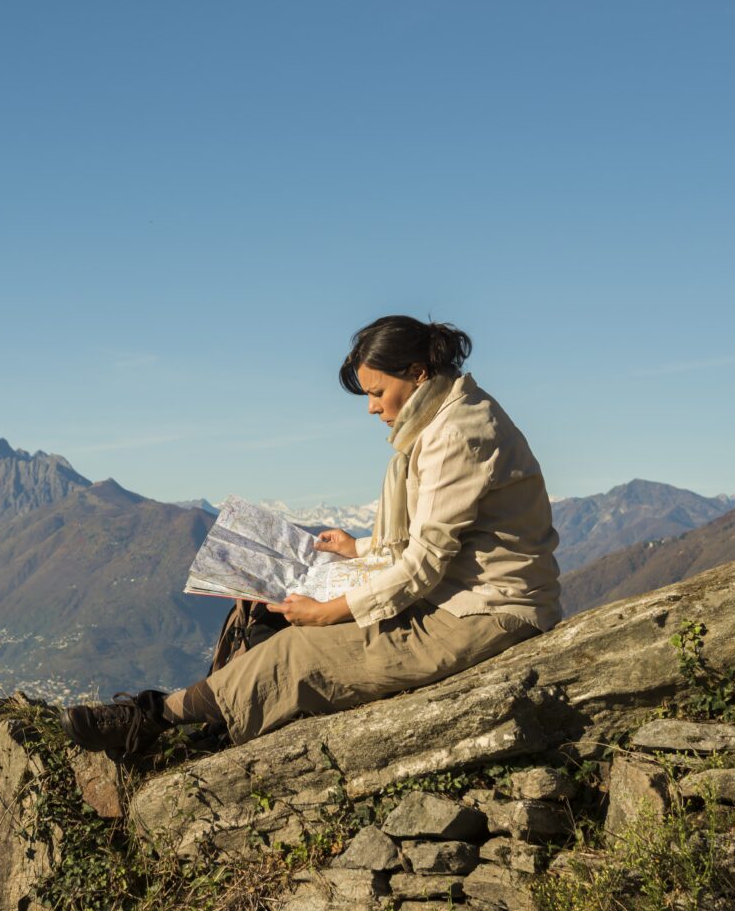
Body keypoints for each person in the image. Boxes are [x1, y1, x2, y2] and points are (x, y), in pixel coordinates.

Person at [60, 315, 562, 760]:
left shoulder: (455, 434)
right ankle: (216, 722)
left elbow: (425, 561)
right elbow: (435, 535)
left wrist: (329, 612)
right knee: (263, 610)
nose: (371, 408)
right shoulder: (442, 418)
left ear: (417, 373)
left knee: (299, 650)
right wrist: (358, 548)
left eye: (376, 391)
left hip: (485, 612)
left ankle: (152, 719)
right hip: (456, 595)